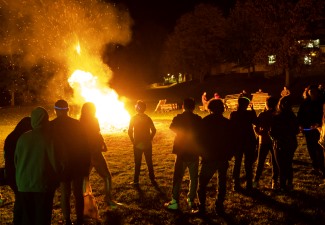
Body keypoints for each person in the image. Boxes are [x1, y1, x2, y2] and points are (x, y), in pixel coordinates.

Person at [15, 107, 62, 225]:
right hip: (42, 185)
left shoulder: (23, 138)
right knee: (42, 217)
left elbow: (16, 161)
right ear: (46, 120)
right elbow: (55, 162)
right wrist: (58, 179)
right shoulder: (49, 138)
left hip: (24, 185)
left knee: (27, 218)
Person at [51, 100, 91, 225]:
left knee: (65, 193)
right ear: (68, 110)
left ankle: (67, 220)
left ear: (55, 110)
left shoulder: (51, 126)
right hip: (77, 163)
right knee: (78, 193)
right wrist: (86, 165)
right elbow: (85, 146)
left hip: (62, 165)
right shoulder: (77, 124)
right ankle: (79, 219)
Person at [195, 99, 234, 215]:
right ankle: (219, 206)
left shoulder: (205, 122)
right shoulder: (227, 123)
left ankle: (202, 207)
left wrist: (202, 153)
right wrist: (229, 155)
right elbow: (232, 142)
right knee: (222, 183)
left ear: (210, 108)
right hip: (222, 157)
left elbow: (198, 139)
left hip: (209, 157)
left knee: (202, 184)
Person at [164, 98, 202, 210]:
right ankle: (191, 199)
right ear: (193, 107)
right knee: (194, 177)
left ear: (183, 106)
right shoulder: (198, 119)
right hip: (194, 151)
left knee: (177, 177)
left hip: (181, 152)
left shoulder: (178, 118)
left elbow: (172, 127)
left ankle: (175, 201)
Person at [80, 102, 118, 208]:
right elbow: (97, 133)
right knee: (107, 176)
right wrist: (102, 144)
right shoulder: (93, 119)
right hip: (95, 153)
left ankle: (84, 201)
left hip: (85, 154)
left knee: (85, 178)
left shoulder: (80, 121)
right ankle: (109, 199)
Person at [4, 117, 32, 225]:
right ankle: (21, 220)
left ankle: (18, 220)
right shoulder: (22, 140)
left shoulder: (11, 137)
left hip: (11, 174)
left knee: (20, 198)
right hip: (19, 174)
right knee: (22, 199)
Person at [270, 96, 300, 191]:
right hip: (289, 142)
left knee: (282, 165)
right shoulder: (292, 116)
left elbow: (272, 132)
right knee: (287, 164)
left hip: (281, 143)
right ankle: (288, 183)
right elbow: (296, 130)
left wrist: (276, 137)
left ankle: (283, 185)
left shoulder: (277, 117)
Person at [230, 97, 258, 191]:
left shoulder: (234, 114)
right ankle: (249, 184)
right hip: (248, 140)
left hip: (237, 141)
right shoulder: (249, 114)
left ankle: (236, 184)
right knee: (248, 163)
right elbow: (256, 122)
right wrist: (253, 112)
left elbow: (231, 127)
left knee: (237, 163)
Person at [297, 85, 325, 177]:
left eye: (314, 91)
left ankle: (322, 167)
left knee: (319, 149)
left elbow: (323, 115)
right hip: (308, 129)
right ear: (308, 92)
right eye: (311, 91)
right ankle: (315, 167)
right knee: (311, 148)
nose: (312, 93)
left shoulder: (321, 103)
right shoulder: (305, 103)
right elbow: (300, 115)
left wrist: (318, 124)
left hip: (318, 130)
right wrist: (300, 125)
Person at [128, 100, 156, 186]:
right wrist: (150, 138)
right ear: (145, 109)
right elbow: (154, 130)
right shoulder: (148, 118)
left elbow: (129, 131)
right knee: (149, 162)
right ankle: (152, 179)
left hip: (137, 144)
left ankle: (136, 181)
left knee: (137, 162)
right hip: (147, 143)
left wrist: (133, 140)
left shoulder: (133, 118)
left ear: (137, 108)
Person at [253, 96, 279, 189]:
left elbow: (255, 126)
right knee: (275, 162)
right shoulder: (277, 115)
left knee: (260, 162)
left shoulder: (262, 114)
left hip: (263, 140)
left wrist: (258, 133)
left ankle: (256, 181)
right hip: (274, 141)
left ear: (266, 104)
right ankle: (274, 181)